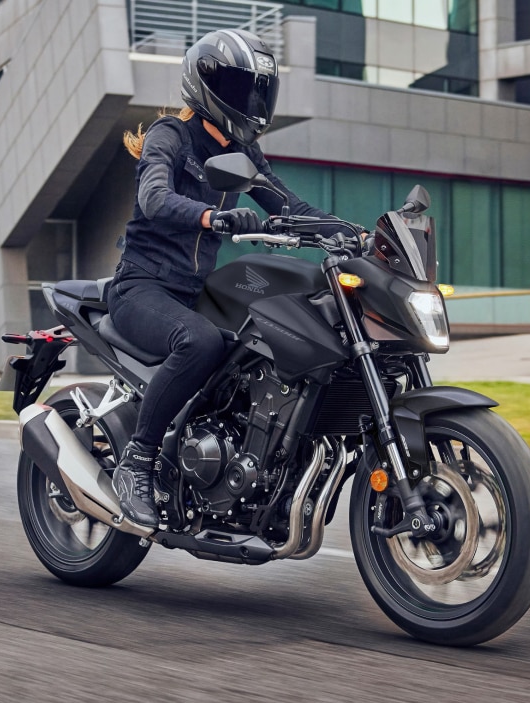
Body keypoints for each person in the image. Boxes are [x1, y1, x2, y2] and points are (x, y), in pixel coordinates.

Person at [109, 29, 340, 527]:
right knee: (201, 343)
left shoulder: (245, 155)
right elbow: (153, 198)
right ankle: (137, 462)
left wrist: (353, 234)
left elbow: (290, 206)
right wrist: (213, 218)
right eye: (241, 88)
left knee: (258, 348)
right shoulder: (169, 135)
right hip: (142, 287)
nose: (251, 101)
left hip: (196, 291)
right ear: (206, 86)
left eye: (258, 89)